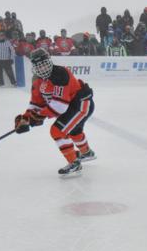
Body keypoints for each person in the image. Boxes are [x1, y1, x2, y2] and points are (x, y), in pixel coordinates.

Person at [14, 49, 96, 178]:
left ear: (49, 61)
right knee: (74, 132)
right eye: (39, 66)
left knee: (57, 131)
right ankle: (87, 153)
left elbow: (60, 106)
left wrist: (38, 116)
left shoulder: (60, 73)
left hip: (80, 104)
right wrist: (26, 118)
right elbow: (36, 103)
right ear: (34, 67)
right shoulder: (37, 81)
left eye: (44, 64)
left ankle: (74, 163)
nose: (43, 68)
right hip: (71, 107)